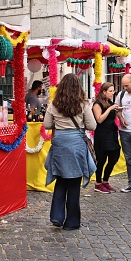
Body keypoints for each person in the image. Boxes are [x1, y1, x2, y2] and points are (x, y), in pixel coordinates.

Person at [43, 74, 97, 231]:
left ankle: (57, 216)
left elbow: (47, 124)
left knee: (60, 180)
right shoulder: (83, 105)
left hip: (60, 143)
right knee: (73, 183)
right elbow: (92, 125)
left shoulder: (54, 104)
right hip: (76, 145)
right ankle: (72, 221)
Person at [92, 82, 121, 194]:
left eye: (113, 91)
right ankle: (98, 183)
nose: (112, 93)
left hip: (112, 133)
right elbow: (99, 119)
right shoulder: (97, 104)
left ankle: (105, 180)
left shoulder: (110, 103)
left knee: (114, 156)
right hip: (102, 134)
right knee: (101, 159)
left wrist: (120, 116)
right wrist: (109, 109)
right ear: (104, 92)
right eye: (110, 91)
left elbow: (114, 115)